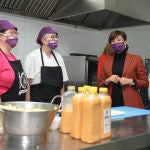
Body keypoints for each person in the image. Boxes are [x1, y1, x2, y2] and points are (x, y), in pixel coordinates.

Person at [99, 30, 149, 108]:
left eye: (119, 40)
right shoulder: (106, 61)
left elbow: (145, 83)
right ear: (110, 44)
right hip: (110, 103)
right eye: (113, 41)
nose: (116, 43)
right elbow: (100, 84)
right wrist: (107, 81)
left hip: (131, 103)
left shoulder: (136, 59)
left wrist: (131, 81)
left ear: (125, 42)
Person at [24, 26, 68, 104]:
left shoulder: (59, 57)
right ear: (43, 40)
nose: (55, 39)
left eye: (56, 37)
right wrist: (27, 105)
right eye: (52, 37)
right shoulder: (32, 56)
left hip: (56, 101)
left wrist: (63, 103)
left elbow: (62, 84)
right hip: (38, 101)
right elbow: (27, 84)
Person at [0, 20, 27, 102]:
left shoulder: (13, 57)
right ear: (1, 36)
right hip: (5, 110)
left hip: (17, 108)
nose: (15, 36)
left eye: (16, 33)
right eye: (12, 33)